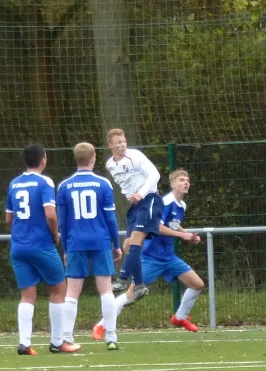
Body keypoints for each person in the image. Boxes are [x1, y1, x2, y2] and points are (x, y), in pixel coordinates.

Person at [92, 169, 203, 337]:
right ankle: (101, 325)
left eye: (187, 180)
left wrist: (188, 234)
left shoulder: (182, 205)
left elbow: (172, 224)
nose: (186, 183)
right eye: (181, 180)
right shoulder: (164, 202)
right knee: (132, 293)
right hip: (152, 256)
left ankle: (180, 318)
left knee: (197, 284)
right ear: (173, 184)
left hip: (169, 257)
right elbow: (157, 226)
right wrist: (182, 235)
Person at [5, 144, 81, 355]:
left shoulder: (14, 184)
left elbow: (8, 218)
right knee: (59, 289)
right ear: (43, 159)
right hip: (41, 245)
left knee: (27, 295)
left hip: (18, 247)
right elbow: (50, 214)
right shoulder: (44, 182)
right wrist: (55, 234)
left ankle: (24, 343)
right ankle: (58, 342)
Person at [57, 142, 122, 350]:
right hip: (100, 241)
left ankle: (67, 336)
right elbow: (111, 219)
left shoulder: (64, 186)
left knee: (72, 292)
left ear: (76, 159)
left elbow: (62, 223)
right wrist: (116, 244)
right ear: (93, 158)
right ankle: (111, 337)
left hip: (76, 242)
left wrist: (66, 249)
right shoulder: (103, 184)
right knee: (106, 289)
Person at [105, 128, 163, 305]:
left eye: (124, 141)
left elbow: (155, 175)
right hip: (135, 205)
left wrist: (141, 193)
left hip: (149, 199)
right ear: (110, 145)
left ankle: (122, 280)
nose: (122, 145)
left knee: (136, 241)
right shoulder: (110, 164)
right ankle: (139, 285)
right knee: (129, 246)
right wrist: (131, 195)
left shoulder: (135, 156)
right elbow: (125, 183)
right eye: (118, 143)